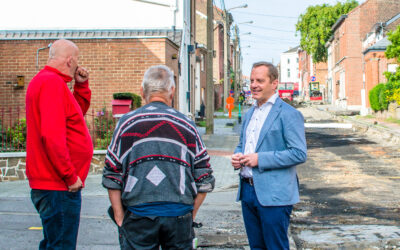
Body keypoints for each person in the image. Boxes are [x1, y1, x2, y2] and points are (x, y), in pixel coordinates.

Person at [102, 65, 215, 249]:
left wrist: (119, 217)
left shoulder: (126, 124)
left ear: (142, 91)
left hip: (138, 216)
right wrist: (191, 215)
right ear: (172, 91)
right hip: (179, 216)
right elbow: (205, 179)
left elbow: (111, 175)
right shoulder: (187, 125)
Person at [231, 61, 307, 249]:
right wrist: (237, 156)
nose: (254, 85)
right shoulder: (250, 113)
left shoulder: (288, 114)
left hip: (274, 194)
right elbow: (243, 144)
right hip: (247, 191)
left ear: (274, 83)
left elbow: (299, 153)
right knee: (256, 247)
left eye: (260, 80)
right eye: (252, 80)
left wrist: (259, 159)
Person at [26, 39, 93, 250]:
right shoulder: (51, 83)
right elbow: (52, 136)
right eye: (77, 60)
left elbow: (74, 118)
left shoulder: (51, 83)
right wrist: (69, 176)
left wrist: (81, 86)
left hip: (54, 184)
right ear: (70, 60)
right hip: (58, 185)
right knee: (62, 245)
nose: (77, 65)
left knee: (54, 242)